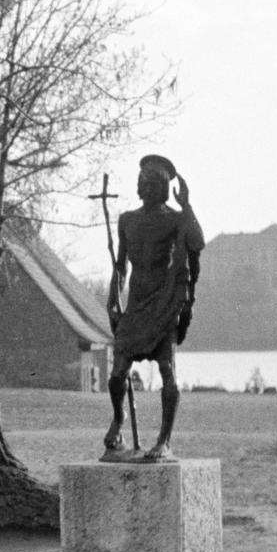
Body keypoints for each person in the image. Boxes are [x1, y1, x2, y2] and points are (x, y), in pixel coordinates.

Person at [101, 154, 204, 462]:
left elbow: (197, 242)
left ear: (163, 187)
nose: (146, 187)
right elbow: (121, 268)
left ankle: (163, 440)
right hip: (136, 306)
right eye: (142, 182)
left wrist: (186, 206)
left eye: (153, 183)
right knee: (118, 372)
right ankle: (118, 422)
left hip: (164, 303)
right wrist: (113, 300)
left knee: (167, 371)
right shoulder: (127, 221)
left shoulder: (174, 220)